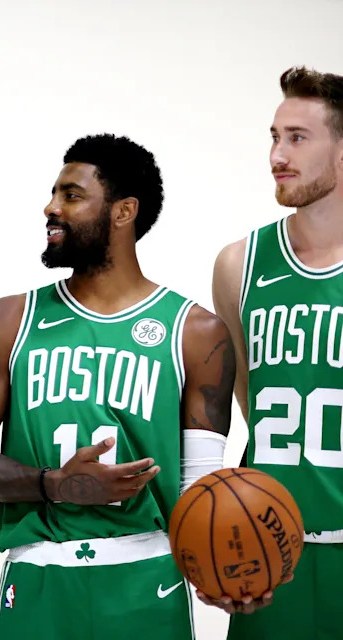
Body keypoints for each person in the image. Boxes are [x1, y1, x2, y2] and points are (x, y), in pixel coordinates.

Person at [0, 134, 235, 639]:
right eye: (54, 193)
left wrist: (222, 563)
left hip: (147, 580)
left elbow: (198, 486)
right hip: (39, 575)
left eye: (71, 195)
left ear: (124, 212)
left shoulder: (196, 332)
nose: (51, 208)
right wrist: (55, 484)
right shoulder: (11, 319)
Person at [211, 66, 343, 639]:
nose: (277, 156)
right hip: (269, 554)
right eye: (274, 136)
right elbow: (251, 403)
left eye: (297, 138)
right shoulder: (238, 265)